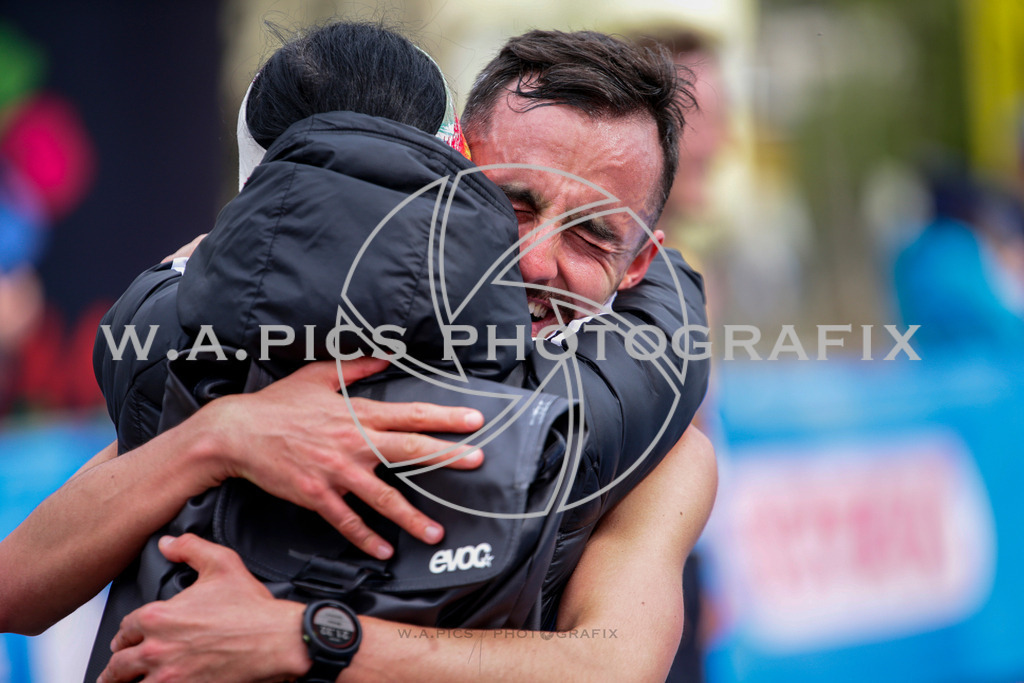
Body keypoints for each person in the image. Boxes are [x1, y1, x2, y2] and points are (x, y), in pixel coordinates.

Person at [1, 26, 716, 682]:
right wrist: (218, 437)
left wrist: (306, 636)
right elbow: (16, 587)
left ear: (638, 264)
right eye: (513, 204)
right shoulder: (260, 360)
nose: (534, 261)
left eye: (593, 236)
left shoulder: (662, 453)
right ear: (443, 169)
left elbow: (612, 665)